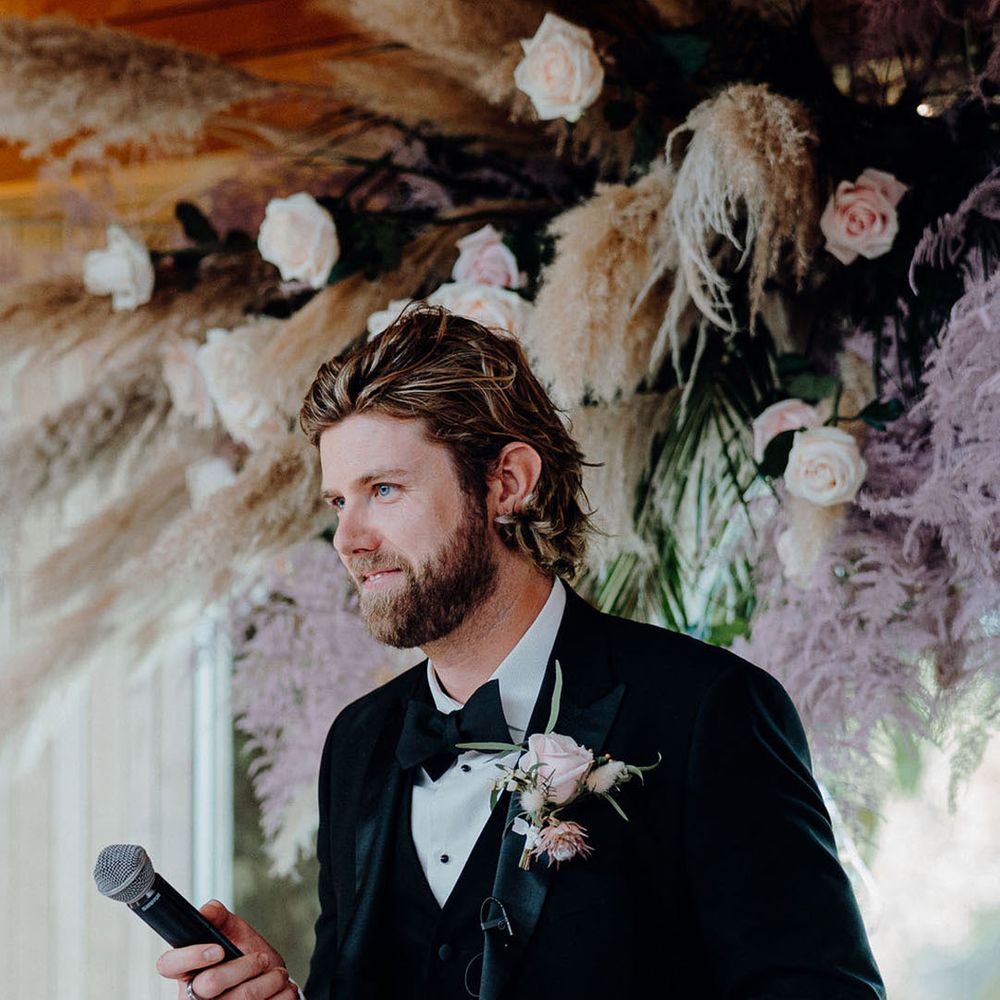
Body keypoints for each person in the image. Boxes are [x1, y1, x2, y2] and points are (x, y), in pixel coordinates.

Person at [157, 307, 886, 1000]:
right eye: (339, 503)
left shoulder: (708, 712)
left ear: (507, 482)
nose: (350, 539)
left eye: (384, 489)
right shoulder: (359, 743)